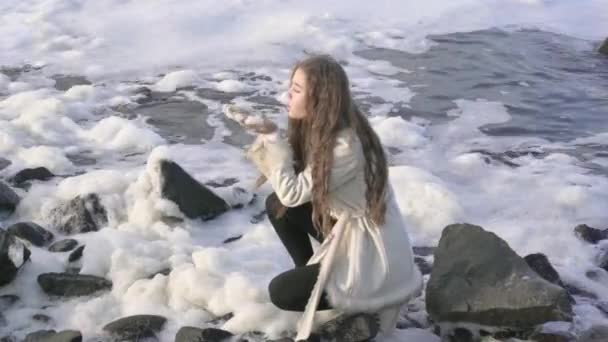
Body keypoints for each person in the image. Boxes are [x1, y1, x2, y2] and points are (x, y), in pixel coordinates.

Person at [245, 55, 423, 341]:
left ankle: (333, 293)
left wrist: (274, 139)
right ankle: (310, 275)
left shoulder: (345, 145)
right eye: (290, 87)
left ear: (321, 98)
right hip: (352, 229)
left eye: (297, 90)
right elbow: (290, 194)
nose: (287, 95)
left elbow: (292, 193)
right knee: (276, 206)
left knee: (280, 292)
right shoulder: (327, 127)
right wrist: (272, 137)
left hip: (373, 255)